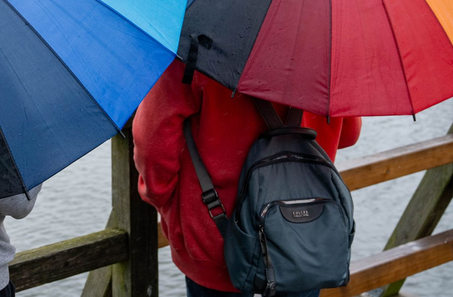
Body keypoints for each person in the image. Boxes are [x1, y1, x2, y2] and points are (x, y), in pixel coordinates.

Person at [133, 61, 362, 297]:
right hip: (304, 235)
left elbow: (153, 146)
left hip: (215, 233)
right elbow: (348, 135)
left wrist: (165, 202)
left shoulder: (196, 45)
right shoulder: (329, 49)